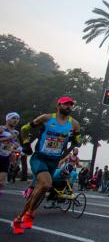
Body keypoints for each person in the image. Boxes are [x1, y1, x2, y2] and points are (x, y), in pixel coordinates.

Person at [13, 96, 82, 235]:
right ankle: (30, 214)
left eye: (70, 105)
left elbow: (77, 141)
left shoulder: (74, 124)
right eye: (65, 104)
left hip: (54, 161)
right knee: (46, 184)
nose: (68, 107)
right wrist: (26, 144)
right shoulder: (46, 118)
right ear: (58, 106)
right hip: (40, 158)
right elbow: (24, 128)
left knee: (37, 193)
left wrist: (73, 143)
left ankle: (19, 219)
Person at [1, 112, 21, 194]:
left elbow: (15, 144)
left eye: (17, 119)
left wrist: (16, 147)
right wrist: (8, 138)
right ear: (8, 119)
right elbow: (9, 139)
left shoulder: (16, 132)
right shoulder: (2, 129)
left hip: (5, 158)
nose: (15, 120)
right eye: (13, 118)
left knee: (1, 182)